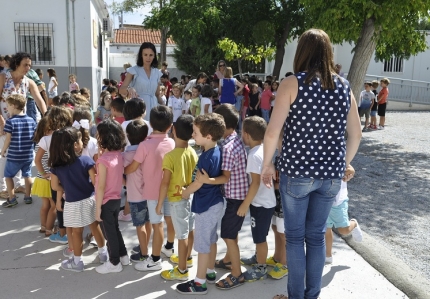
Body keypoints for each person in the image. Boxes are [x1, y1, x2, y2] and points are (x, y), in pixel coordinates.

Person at [261, 29, 362, 299]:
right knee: (316, 237)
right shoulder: (344, 86)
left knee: (295, 238)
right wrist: (344, 163)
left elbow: (272, 131)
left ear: (302, 52)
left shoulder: (292, 83)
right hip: (330, 177)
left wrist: (267, 164)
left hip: (297, 173)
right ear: (328, 53)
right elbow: (356, 133)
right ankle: (311, 295)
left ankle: (296, 296)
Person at [196, 104, 248, 290]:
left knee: (228, 235)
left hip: (236, 199)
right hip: (237, 196)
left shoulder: (226, 147)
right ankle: (228, 260)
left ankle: (237, 274)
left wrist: (205, 180)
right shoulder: (235, 140)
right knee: (231, 233)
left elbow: (224, 177)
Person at [176, 113, 226, 295]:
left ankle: (199, 283)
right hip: (215, 203)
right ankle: (210, 272)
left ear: (208, 136)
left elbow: (198, 183)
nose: (192, 135)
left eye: (195, 132)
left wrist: (185, 193)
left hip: (206, 206)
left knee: (203, 245)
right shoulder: (215, 150)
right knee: (211, 239)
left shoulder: (206, 157)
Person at [124, 106, 175, 272]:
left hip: (153, 193)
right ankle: (169, 247)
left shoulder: (145, 146)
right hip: (170, 191)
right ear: (170, 125)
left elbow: (132, 168)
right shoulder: (172, 143)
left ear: (151, 125)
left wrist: (119, 171)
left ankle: (155, 260)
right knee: (169, 221)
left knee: (157, 225)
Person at [49, 127, 107, 272]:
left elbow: (55, 186)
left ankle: (77, 261)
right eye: (80, 140)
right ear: (75, 144)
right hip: (89, 200)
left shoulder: (56, 167)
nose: (82, 142)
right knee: (95, 227)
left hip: (72, 203)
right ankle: (103, 254)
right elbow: (95, 182)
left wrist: (67, 186)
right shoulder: (85, 160)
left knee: (76, 232)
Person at [157, 115, 198, 281]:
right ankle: (187, 259)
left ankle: (181, 271)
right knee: (190, 229)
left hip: (176, 200)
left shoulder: (170, 156)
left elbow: (165, 183)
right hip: (190, 196)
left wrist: (159, 204)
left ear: (173, 130)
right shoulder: (193, 152)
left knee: (181, 235)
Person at [238, 116, 276, 282]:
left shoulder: (253, 156)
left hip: (261, 203)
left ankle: (260, 267)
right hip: (264, 202)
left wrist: (245, 204)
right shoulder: (263, 150)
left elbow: (255, 183)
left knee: (260, 238)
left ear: (246, 134)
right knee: (258, 235)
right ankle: (258, 257)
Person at [94, 119, 129, 274]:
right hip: (116, 199)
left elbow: (101, 186)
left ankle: (114, 262)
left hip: (106, 201)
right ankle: (123, 255)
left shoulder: (103, 161)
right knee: (115, 229)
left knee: (109, 233)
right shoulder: (118, 155)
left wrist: (97, 209)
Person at [36, 106, 73, 245]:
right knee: (71, 203)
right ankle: (74, 230)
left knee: (59, 205)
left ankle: (63, 233)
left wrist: (44, 174)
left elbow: (37, 160)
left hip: (55, 177)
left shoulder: (46, 139)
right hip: (72, 174)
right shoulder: (72, 134)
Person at [0, 94, 36, 207]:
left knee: (8, 176)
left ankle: (12, 198)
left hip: (14, 155)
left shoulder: (10, 122)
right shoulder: (31, 120)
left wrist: (3, 150)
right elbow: (35, 136)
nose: (7, 108)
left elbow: (8, 139)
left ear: (14, 106)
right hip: (28, 154)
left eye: (8, 106)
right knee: (27, 175)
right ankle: (28, 197)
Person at [122, 120, 150, 263]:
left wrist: (127, 183)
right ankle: (145, 246)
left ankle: (144, 254)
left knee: (140, 226)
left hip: (135, 196)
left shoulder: (125, 156)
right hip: (150, 195)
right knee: (149, 222)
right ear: (146, 136)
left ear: (127, 135)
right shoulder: (148, 152)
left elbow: (120, 176)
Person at [325, 170, 363, 265]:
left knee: (344, 230)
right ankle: (328, 255)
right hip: (323, 200)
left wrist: (349, 173)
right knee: (325, 229)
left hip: (338, 202)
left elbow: (350, 168)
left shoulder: (338, 156)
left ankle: (353, 224)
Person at [119, 42, 164, 121]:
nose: (148, 58)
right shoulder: (133, 70)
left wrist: (164, 107)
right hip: (138, 109)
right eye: (145, 55)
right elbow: (121, 89)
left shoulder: (157, 72)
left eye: (151, 55)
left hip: (154, 109)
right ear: (141, 55)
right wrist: (129, 89)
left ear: (154, 56)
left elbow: (157, 94)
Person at [32, 116, 56, 236]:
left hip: (41, 179)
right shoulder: (48, 142)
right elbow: (38, 161)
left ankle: (43, 226)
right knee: (54, 206)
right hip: (48, 179)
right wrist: (45, 174)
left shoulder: (39, 143)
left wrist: (42, 174)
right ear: (46, 130)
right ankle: (49, 228)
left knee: (45, 205)